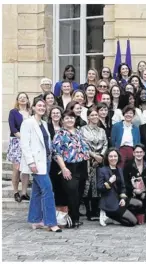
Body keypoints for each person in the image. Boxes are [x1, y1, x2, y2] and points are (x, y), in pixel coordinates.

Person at [20, 98, 61, 232]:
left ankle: (35, 220)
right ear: (33, 107)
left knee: (37, 192)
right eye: (39, 105)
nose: (42, 108)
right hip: (36, 163)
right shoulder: (28, 123)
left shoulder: (43, 123)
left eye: (44, 106)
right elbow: (25, 145)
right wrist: (31, 162)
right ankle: (51, 222)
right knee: (48, 190)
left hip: (46, 161)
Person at [52, 110, 90, 228]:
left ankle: (76, 217)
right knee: (72, 193)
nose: (70, 120)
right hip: (69, 166)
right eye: (67, 118)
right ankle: (73, 219)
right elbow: (57, 153)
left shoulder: (78, 132)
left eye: (72, 118)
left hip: (81, 166)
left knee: (79, 193)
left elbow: (85, 149)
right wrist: (63, 168)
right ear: (63, 120)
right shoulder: (60, 134)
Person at [97, 148, 142, 227]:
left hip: (119, 199)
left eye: (115, 156)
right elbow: (99, 188)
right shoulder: (102, 170)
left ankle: (114, 217)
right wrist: (109, 182)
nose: (113, 158)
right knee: (133, 222)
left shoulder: (120, 169)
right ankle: (107, 213)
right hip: (110, 202)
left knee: (139, 204)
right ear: (107, 158)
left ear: (118, 157)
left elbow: (123, 187)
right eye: (111, 156)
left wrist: (123, 199)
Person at [80, 108, 108, 221]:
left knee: (98, 185)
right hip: (87, 160)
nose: (95, 117)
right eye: (92, 115)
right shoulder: (82, 130)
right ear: (88, 117)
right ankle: (88, 211)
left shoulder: (102, 130)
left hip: (100, 162)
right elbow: (82, 144)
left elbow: (105, 144)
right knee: (88, 186)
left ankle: (96, 210)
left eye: (96, 115)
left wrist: (100, 156)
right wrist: (93, 156)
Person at [8, 92, 31, 203]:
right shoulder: (13, 112)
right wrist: (24, 138)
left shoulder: (31, 112)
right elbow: (13, 128)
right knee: (17, 169)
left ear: (27, 100)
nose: (22, 99)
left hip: (29, 143)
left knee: (26, 168)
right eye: (20, 98)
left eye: (24, 97)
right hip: (17, 142)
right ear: (17, 100)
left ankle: (24, 192)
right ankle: (16, 192)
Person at [122, 144, 146, 223]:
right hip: (132, 193)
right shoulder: (127, 166)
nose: (139, 154)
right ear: (133, 153)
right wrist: (133, 190)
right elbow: (125, 182)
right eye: (137, 152)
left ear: (144, 153)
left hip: (145, 194)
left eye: (141, 152)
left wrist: (144, 191)